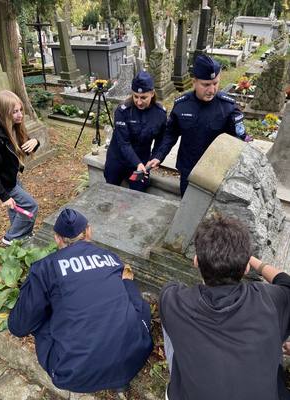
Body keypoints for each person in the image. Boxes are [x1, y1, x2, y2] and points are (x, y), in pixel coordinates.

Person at [8, 208, 153, 395]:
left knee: (41, 316)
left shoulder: (45, 268)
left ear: (57, 239)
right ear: (89, 232)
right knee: (128, 299)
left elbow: (18, 327)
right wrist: (128, 285)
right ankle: (118, 378)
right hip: (135, 356)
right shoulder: (112, 259)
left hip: (72, 373)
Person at [159, 214, 290, 400]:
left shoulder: (173, 300)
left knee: (171, 323)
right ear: (246, 268)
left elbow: (170, 288)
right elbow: (285, 282)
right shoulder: (272, 300)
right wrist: (256, 263)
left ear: (196, 261)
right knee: (277, 322)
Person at [147, 54, 251, 196]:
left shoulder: (227, 107)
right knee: (187, 204)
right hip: (188, 169)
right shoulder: (182, 105)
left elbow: (238, 140)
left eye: (215, 83)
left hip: (215, 173)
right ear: (194, 82)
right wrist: (158, 156)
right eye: (206, 84)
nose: (212, 90)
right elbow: (170, 134)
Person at [0, 90, 39, 245]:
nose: (20, 115)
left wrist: (35, 142)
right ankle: (11, 238)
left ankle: (20, 238)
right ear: (5, 113)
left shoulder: (13, 126)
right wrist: (4, 196)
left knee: (15, 208)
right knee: (31, 206)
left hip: (12, 176)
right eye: (15, 112)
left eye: (20, 110)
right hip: (4, 182)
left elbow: (24, 146)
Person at [104, 70, 167, 192]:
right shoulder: (122, 111)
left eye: (143, 97)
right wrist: (136, 163)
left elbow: (161, 140)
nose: (139, 101)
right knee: (110, 191)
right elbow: (124, 143)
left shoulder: (160, 114)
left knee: (138, 194)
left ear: (152, 93)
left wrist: (155, 158)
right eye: (135, 96)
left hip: (141, 161)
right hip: (118, 159)